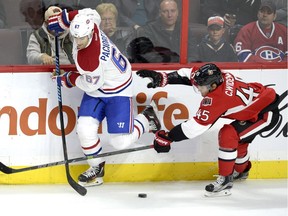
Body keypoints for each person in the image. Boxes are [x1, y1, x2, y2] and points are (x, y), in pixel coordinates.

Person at [47, 8, 161, 187]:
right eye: (75, 36)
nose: (78, 41)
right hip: (100, 85)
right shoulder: (89, 22)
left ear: (90, 32)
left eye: (81, 38)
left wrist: (69, 78)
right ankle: (96, 168)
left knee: (119, 142)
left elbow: (90, 84)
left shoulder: (90, 58)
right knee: (84, 129)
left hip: (118, 89)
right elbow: (90, 12)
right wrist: (64, 19)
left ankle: (147, 119)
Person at [136, 63, 280, 197]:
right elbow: (188, 74)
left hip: (265, 113)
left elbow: (194, 128)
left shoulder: (218, 99)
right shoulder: (219, 77)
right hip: (259, 102)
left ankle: (225, 181)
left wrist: (167, 137)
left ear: (212, 85)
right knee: (240, 142)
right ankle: (242, 171)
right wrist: (163, 78)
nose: (198, 88)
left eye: (201, 86)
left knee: (228, 134)